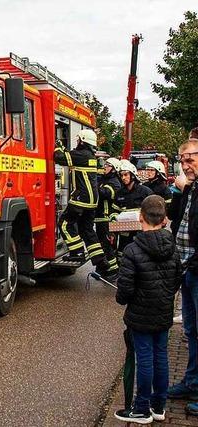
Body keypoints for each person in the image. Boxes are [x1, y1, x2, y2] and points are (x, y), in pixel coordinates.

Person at [113, 195, 182, 424]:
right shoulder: (172, 247)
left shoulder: (133, 250)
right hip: (163, 312)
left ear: (140, 217)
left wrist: (123, 300)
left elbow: (125, 289)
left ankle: (141, 409)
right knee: (160, 356)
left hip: (140, 316)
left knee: (144, 359)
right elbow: (176, 280)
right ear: (164, 220)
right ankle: (158, 406)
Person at [54, 129, 115, 280]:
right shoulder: (90, 156)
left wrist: (57, 145)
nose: (77, 142)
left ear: (82, 141)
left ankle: (77, 252)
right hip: (92, 200)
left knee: (64, 224)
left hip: (81, 199)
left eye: (78, 140)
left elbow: (59, 158)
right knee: (86, 230)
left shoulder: (81, 155)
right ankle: (101, 261)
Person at [167, 139, 198, 416]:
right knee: (191, 330)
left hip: (196, 269)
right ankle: (192, 382)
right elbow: (175, 217)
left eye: (190, 159)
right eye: (182, 160)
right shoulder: (192, 189)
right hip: (187, 269)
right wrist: (182, 191)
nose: (185, 165)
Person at [115, 160, 154, 257]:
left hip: (142, 233)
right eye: (121, 175)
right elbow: (114, 212)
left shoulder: (145, 191)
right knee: (122, 256)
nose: (123, 178)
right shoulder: (119, 193)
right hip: (124, 234)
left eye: (125, 175)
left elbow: (153, 212)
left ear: (132, 175)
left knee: (142, 257)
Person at [95, 157, 122, 275]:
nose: (105, 167)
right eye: (105, 165)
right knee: (102, 243)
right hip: (100, 218)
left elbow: (106, 194)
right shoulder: (103, 180)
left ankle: (112, 269)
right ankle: (105, 267)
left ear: (114, 169)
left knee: (107, 244)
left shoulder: (115, 182)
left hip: (107, 218)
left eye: (108, 165)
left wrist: (93, 185)